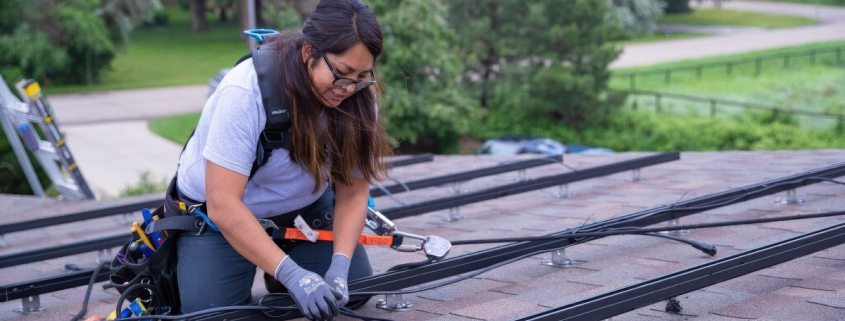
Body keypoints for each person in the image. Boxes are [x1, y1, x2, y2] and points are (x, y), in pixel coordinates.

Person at [172, 0, 391, 320]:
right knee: (216, 316)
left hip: (303, 212)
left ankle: (279, 267)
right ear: (308, 54)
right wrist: (294, 276)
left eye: (361, 76)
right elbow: (223, 204)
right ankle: (278, 267)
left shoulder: (359, 96)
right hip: (218, 220)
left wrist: (340, 266)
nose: (350, 88)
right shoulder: (245, 92)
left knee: (353, 291)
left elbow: (354, 192)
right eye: (342, 74)